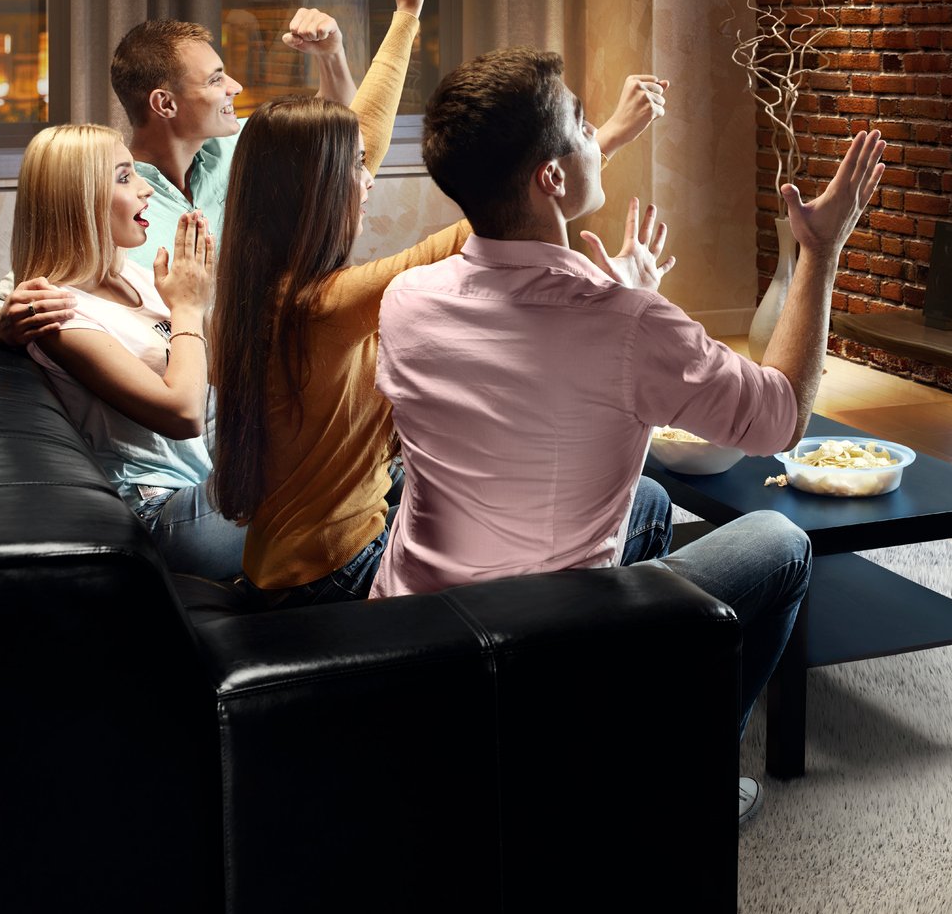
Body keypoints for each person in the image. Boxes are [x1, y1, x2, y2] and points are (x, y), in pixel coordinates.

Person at [369, 47, 886, 826]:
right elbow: (779, 415)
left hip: (409, 636)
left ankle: (626, 723)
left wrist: (619, 299)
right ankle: (684, 782)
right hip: (540, 651)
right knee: (780, 541)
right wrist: (819, 250)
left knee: (642, 495)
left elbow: (537, 365)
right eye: (583, 122)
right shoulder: (626, 323)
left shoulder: (406, 299)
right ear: (549, 176)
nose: (595, 132)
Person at [209, 0, 673, 605]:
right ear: (313, 193)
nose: (369, 178)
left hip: (295, 563)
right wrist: (603, 143)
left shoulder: (263, 289)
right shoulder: (321, 305)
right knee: (644, 503)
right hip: (338, 575)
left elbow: (359, 138)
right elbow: (477, 234)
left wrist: (406, 13)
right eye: (356, 172)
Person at [0, 0, 368, 347]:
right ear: (165, 104)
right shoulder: (114, 206)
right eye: (215, 80)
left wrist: (331, 55)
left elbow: (333, 133)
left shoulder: (236, 147)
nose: (235, 88)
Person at [7, 122, 238, 578]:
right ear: (78, 200)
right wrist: (188, 310)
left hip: (203, 479)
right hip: (164, 516)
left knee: (364, 467)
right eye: (124, 177)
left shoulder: (130, 274)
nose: (147, 188)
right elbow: (183, 413)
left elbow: (211, 377)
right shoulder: (62, 316)